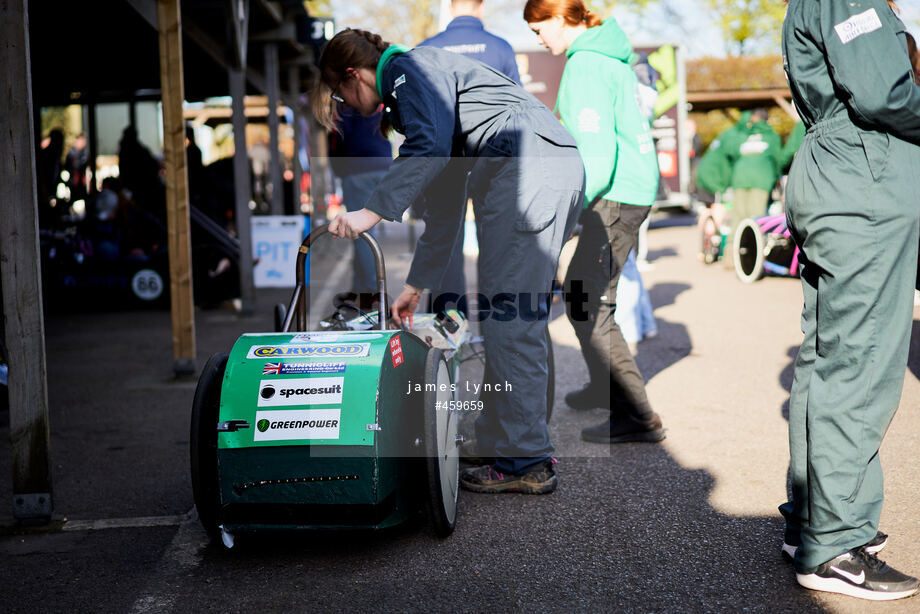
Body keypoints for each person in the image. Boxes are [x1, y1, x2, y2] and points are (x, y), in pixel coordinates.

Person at [314, 29, 584, 494]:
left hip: (527, 171)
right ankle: (503, 442)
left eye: (342, 94)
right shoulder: (425, 88)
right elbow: (444, 207)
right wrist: (415, 287)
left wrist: (370, 211)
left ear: (354, 74)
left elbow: (427, 147)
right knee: (506, 316)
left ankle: (526, 463)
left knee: (510, 321)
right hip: (534, 169)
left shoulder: (408, 70)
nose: (349, 106)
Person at [780, 0, 920, 600]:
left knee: (826, 362)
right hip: (862, 184)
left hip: (839, 176)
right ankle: (836, 545)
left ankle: (815, 522)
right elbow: (884, 94)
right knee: (857, 367)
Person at [524, 0, 664, 443]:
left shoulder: (585, 63)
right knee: (582, 295)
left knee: (588, 302)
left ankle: (637, 415)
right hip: (627, 191)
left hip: (615, 196)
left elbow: (599, 159)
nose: (539, 37)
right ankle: (604, 386)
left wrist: (562, 214)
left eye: (540, 26)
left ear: (565, 18)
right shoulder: (605, 54)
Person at [418, 0, 521, 316]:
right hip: (493, 160)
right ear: (481, 7)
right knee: (497, 243)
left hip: (446, 160)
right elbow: (518, 114)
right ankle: (499, 325)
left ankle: (449, 328)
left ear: (450, 7)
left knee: (444, 240)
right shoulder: (501, 48)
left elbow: (420, 114)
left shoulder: (426, 50)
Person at [696, 109, 782, 263]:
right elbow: (779, 159)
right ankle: (751, 261)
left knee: (737, 219)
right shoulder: (768, 136)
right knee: (754, 221)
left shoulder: (737, 135)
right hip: (749, 181)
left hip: (732, 179)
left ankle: (727, 258)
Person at [328, 107, 393, 304]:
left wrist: (339, 169)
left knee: (361, 235)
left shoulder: (344, 108)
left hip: (358, 170)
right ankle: (361, 289)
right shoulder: (377, 103)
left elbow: (334, 140)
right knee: (365, 232)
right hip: (383, 166)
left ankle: (373, 291)